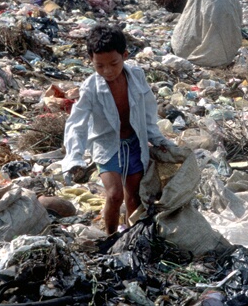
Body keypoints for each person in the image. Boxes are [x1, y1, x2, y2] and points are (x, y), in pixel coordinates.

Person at [61, 24, 172, 235]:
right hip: (107, 145)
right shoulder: (91, 88)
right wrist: (74, 157)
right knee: (114, 195)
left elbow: (148, 109)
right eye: (100, 66)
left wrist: (157, 138)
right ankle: (111, 236)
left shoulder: (136, 76)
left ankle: (132, 237)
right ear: (91, 61)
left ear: (125, 55)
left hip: (134, 143)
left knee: (134, 197)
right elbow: (77, 123)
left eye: (114, 63)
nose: (108, 71)